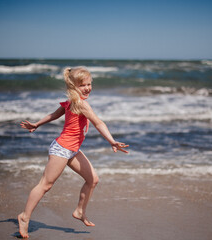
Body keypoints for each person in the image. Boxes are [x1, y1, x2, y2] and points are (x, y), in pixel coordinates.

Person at [17, 66, 129, 238]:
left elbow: (55, 115)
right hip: (62, 149)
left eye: (89, 84)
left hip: (73, 150)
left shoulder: (72, 102)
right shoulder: (80, 104)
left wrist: (37, 124)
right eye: (83, 85)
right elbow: (98, 123)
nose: (88, 88)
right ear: (73, 86)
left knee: (93, 180)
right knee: (45, 185)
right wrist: (111, 141)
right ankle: (24, 217)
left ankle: (79, 211)